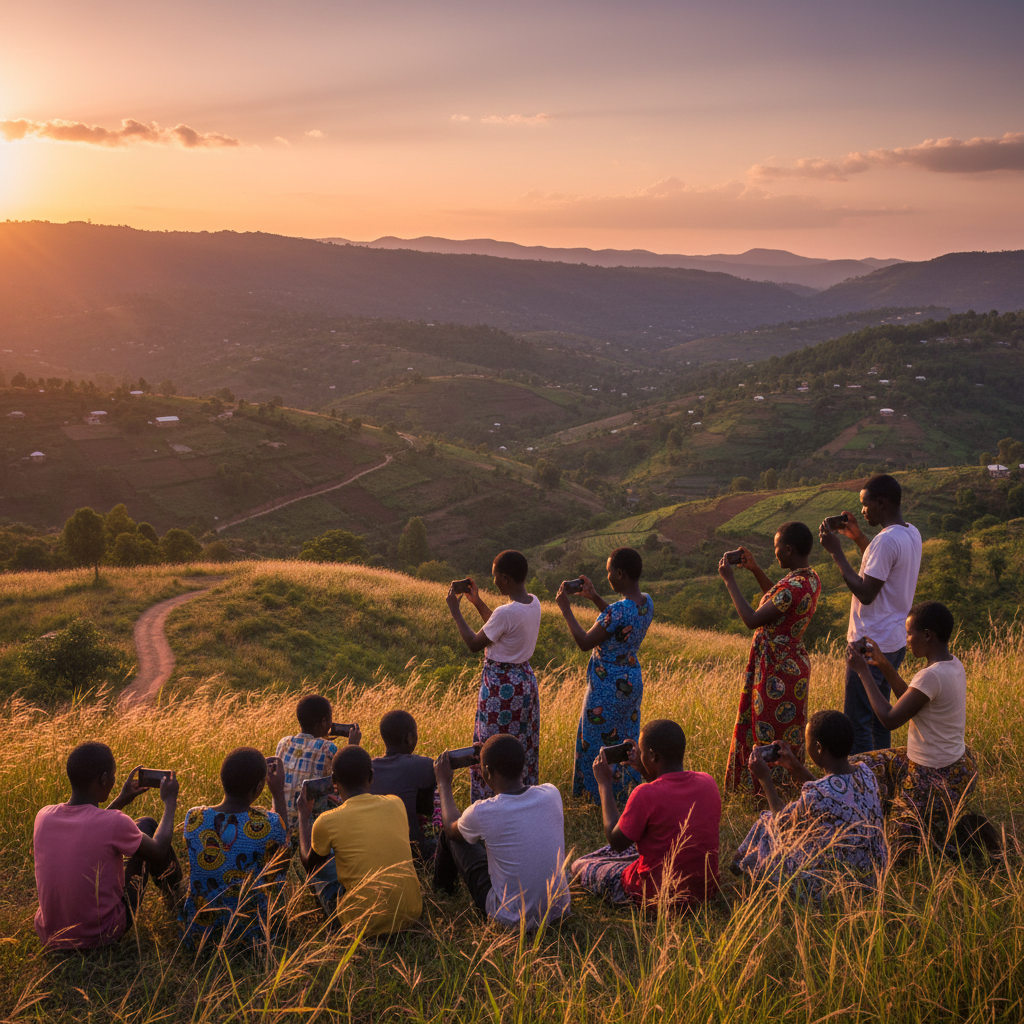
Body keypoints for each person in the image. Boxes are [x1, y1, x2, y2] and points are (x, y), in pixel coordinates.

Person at [847, 601, 976, 857]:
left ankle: (940, 834)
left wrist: (863, 672)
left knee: (894, 850)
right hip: (953, 766)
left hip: (934, 775)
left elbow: (889, 719)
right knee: (856, 767)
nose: (906, 640)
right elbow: (911, 700)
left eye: (910, 633)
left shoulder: (931, 676)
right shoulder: (952, 665)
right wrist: (883, 663)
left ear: (927, 635)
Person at [33, 742, 182, 950]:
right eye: (112, 775)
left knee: (137, 834)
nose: (113, 780)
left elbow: (90, 828)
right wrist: (170, 801)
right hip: (102, 934)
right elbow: (158, 851)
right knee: (147, 825)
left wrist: (121, 799)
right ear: (104, 779)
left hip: (51, 934)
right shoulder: (114, 823)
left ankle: (176, 897)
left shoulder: (43, 816)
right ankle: (177, 899)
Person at [819, 474, 922, 754]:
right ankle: (882, 781)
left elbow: (866, 593)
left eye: (865, 505)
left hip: (869, 642)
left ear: (881, 503)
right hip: (893, 640)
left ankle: (864, 784)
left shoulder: (886, 541)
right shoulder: (910, 532)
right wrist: (858, 537)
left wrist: (836, 553)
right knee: (879, 717)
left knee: (858, 721)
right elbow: (881, 569)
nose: (862, 511)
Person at [735, 710, 888, 900]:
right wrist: (795, 768)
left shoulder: (817, 793)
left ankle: (742, 865)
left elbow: (782, 823)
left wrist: (764, 778)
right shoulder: (865, 772)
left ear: (818, 747)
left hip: (836, 887)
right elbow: (836, 796)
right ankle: (740, 863)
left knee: (768, 822)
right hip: (872, 877)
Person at [572, 719, 720, 910]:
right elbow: (668, 791)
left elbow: (616, 842)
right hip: (704, 890)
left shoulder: (644, 794)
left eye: (641, 752)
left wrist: (604, 784)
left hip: (653, 896)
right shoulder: (708, 782)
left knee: (580, 864)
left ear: (652, 755)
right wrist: (643, 768)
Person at [718, 522, 820, 794]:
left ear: (788, 549)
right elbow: (776, 603)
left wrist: (730, 579)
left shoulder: (790, 587)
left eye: (776, 548)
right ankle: (789, 786)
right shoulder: (809, 578)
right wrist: (754, 570)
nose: (775, 553)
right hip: (794, 664)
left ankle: (766, 792)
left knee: (768, 731)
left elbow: (752, 619)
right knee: (788, 731)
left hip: (775, 669)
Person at [433, 734, 571, 929]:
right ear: (522, 765)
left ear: (487, 770)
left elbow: (451, 829)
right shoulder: (551, 793)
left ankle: (441, 889)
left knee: (452, 836)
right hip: (558, 909)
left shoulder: (482, 812)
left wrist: (444, 783)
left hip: (511, 918)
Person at [556, 546, 653, 806]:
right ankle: (627, 791)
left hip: (606, 684)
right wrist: (596, 598)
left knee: (595, 739)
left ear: (620, 573)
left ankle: (594, 797)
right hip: (631, 679)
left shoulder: (617, 611)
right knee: (624, 737)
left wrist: (566, 609)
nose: (607, 574)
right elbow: (620, 626)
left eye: (609, 570)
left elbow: (586, 641)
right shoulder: (646, 602)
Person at [445, 549, 542, 801]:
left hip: (501, 687)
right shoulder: (533, 602)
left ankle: (489, 800)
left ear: (507, 578)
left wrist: (455, 610)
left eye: (496, 576)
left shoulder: (506, 613)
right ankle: (522, 797)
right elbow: (498, 629)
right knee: (520, 744)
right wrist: (476, 602)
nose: (494, 581)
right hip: (524, 681)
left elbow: (475, 643)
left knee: (491, 745)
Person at [297, 745, 422, 935]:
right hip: (411, 913)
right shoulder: (396, 803)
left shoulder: (326, 821)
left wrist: (303, 818)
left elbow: (308, 865)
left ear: (333, 781)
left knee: (317, 860)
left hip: (361, 923)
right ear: (371, 776)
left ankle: (335, 922)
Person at [180, 748, 290, 946]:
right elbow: (282, 857)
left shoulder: (194, 817)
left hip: (201, 932)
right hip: (252, 933)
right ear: (258, 788)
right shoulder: (270, 823)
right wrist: (278, 793)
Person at [275, 693, 362, 832]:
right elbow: (348, 778)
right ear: (323, 722)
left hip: (283, 821)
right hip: (312, 826)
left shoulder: (284, 743)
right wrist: (353, 747)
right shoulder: (328, 748)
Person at [369, 710, 438, 860]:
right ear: (409, 738)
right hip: (412, 851)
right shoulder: (422, 765)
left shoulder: (368, 768)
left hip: (374, 851)